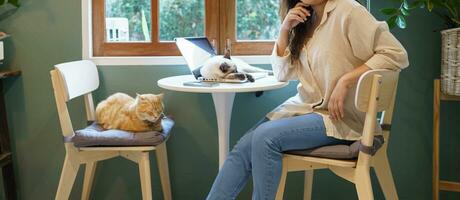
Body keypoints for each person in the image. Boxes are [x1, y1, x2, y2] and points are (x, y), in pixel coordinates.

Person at [206, 0, 409, 199]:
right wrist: (285, 29)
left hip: (339, 116)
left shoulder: (349, 10)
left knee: (265, 138)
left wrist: (346, 80)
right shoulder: (304, 19)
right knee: (243, 147)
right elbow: (282, 74)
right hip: (306, 109)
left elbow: (395, 54)